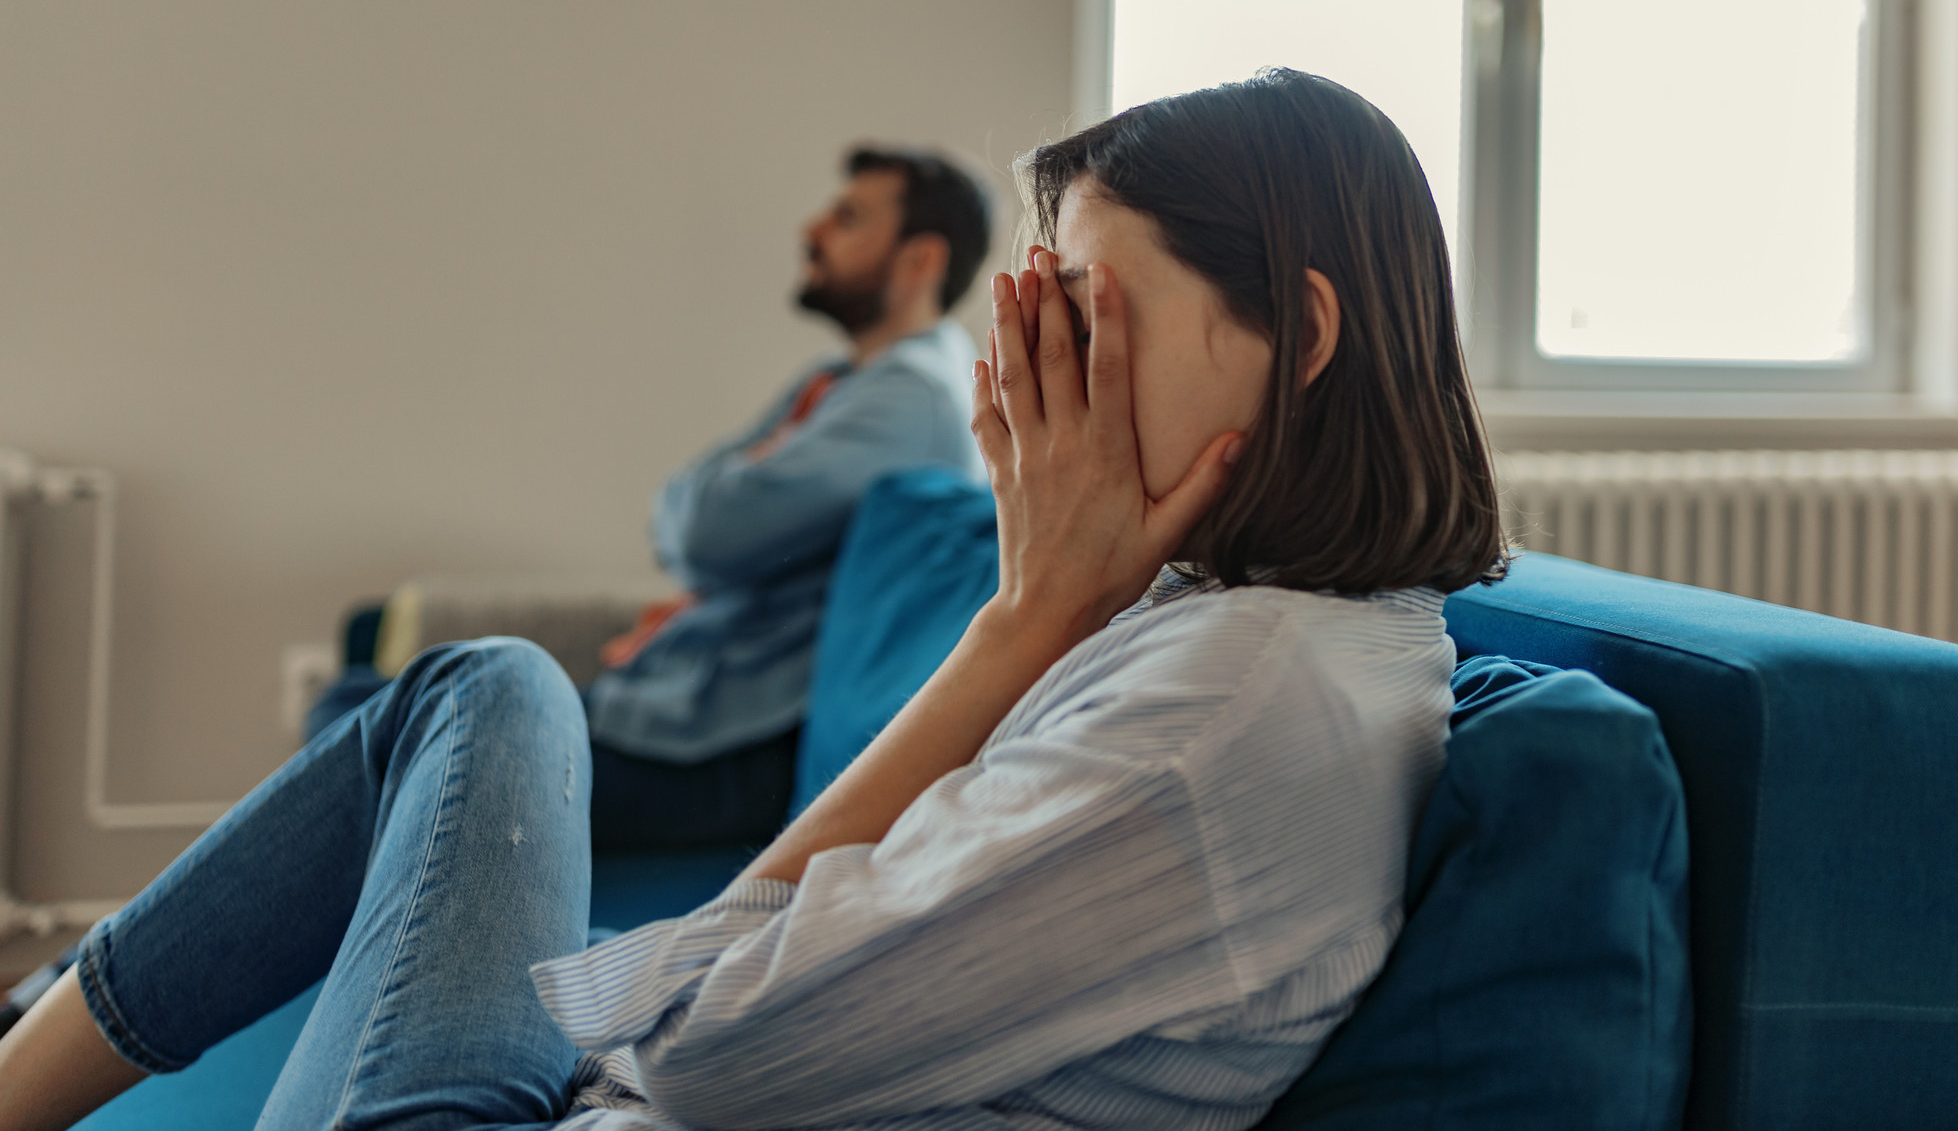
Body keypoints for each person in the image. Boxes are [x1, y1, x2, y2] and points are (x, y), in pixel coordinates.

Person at [0, 70, 1506, 1131]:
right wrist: (1046, 612)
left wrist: (1021, 625)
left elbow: (695, 1046)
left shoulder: (1224, 708)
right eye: (1033, 320)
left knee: (483, 695)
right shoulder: (1255, 630)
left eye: (1087, 316)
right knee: (482, 690)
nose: (1039, 378)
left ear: (1296, 332)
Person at [302, 145, 992, 853]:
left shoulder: (913, 400)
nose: (811, 230)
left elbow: (700, 531)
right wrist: (716, 506)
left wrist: (720, 504)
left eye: (848, 218)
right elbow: (686, 513)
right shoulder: (842, 381)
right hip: (683, 714)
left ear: (919, 262)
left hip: (723, 748)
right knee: (362, 702)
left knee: (358, 720)